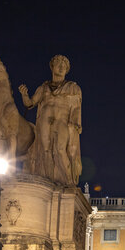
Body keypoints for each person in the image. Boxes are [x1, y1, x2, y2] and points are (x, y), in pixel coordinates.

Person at [19, 55, 82, 185]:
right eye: (58, 64)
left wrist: (75, 124)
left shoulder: (72, 87)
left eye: (63, 66)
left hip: (62, 121)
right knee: (45, 150)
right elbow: (30, 103)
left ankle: (69, 182)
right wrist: (24, 94)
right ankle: (48, 182)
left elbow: (76, 108)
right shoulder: (43, 87)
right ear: (52, 67)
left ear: (66, 70)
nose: (60, 68)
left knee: (60, 149)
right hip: (44, 121)